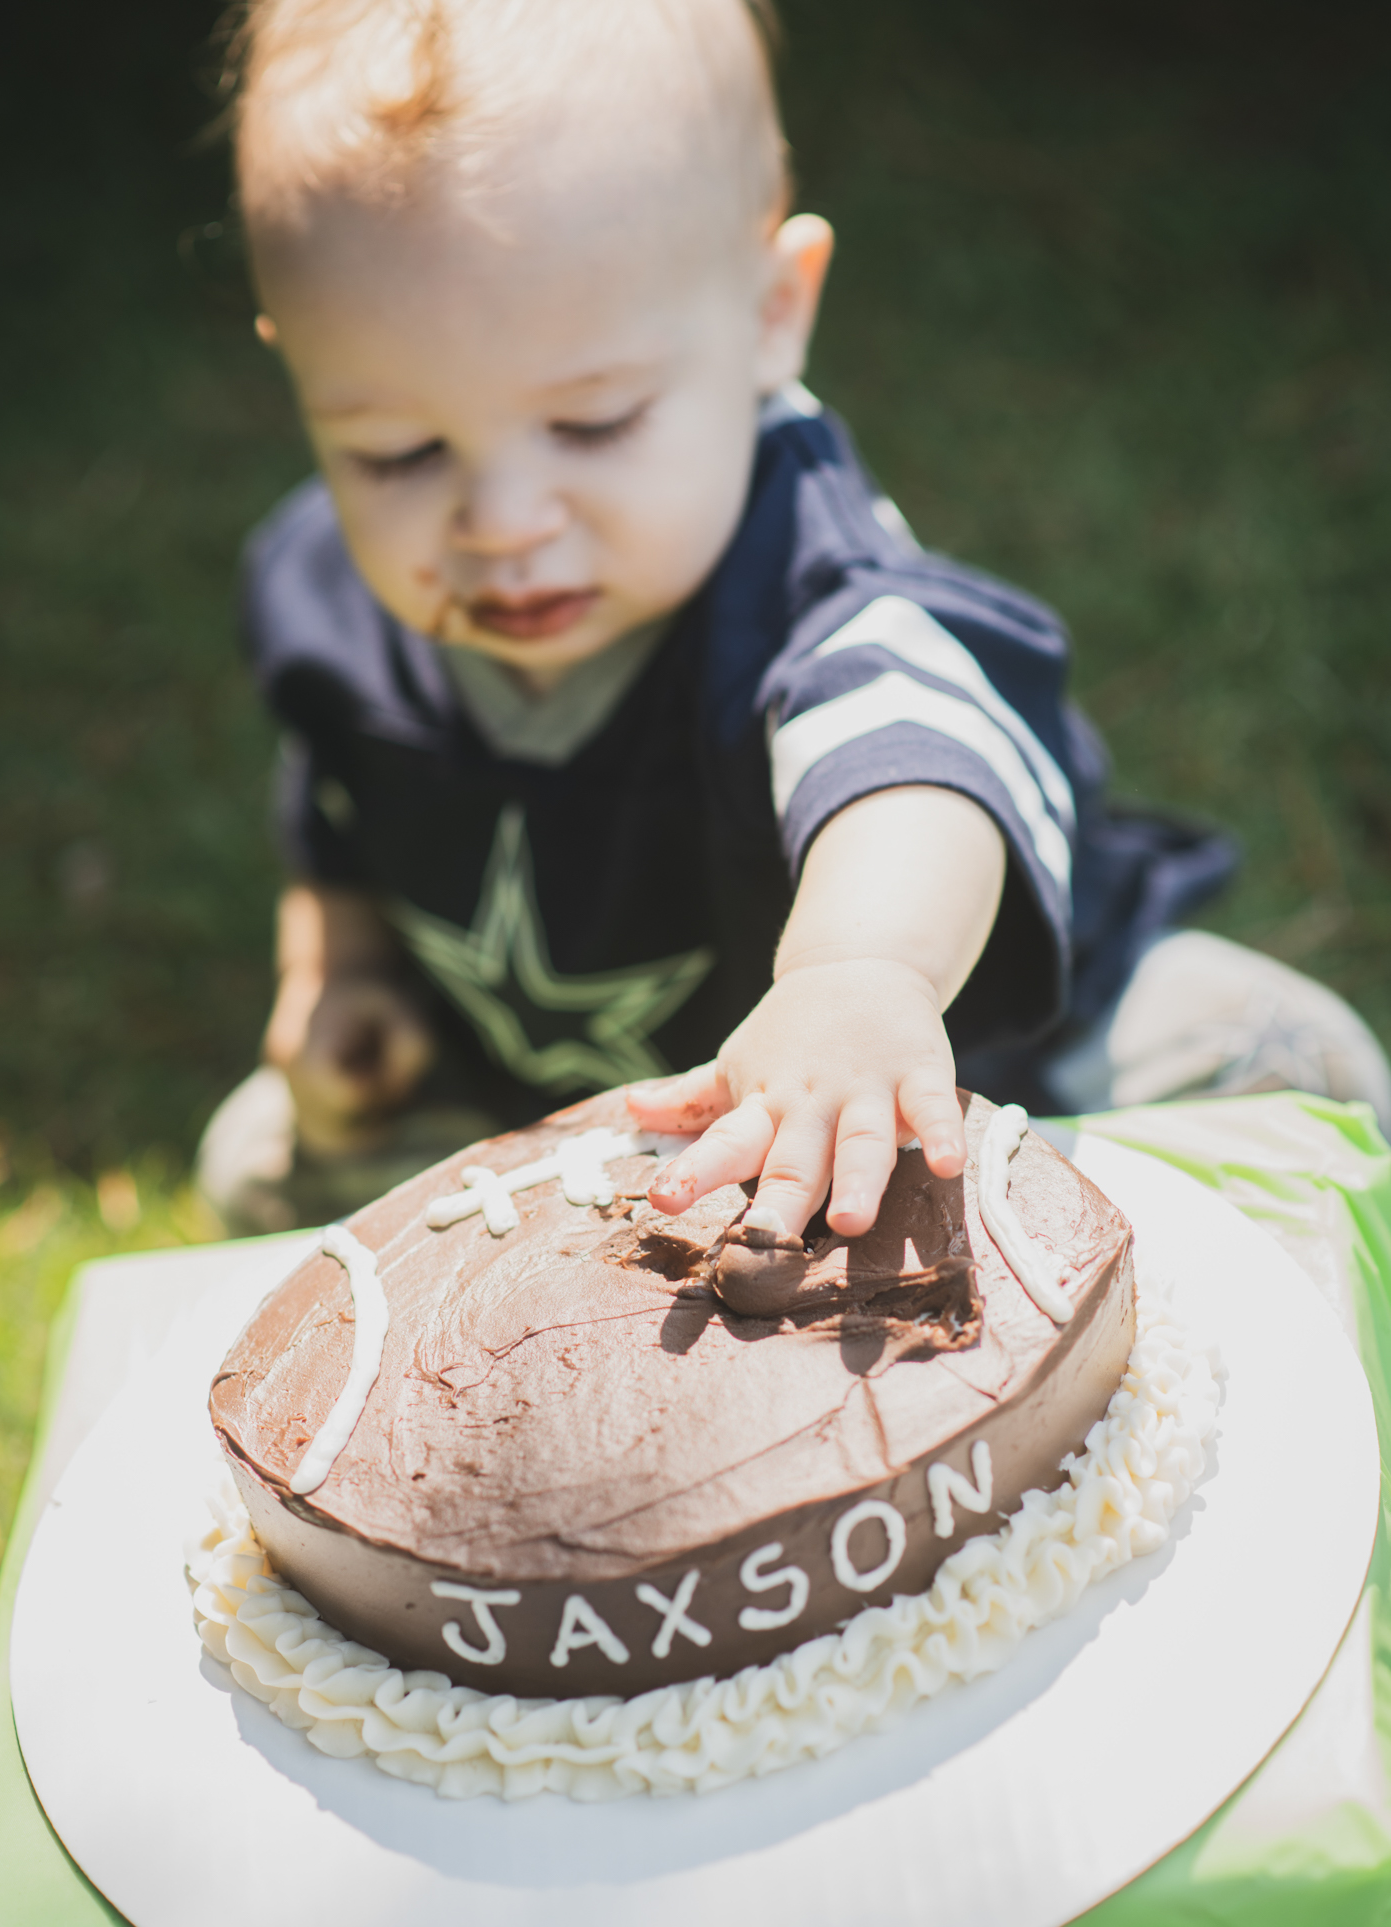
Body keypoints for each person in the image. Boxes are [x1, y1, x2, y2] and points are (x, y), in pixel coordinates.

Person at [197, 0, 1391, 1238]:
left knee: (1288, 1068)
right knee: (255, 1158)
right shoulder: (321, 588)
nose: (499, 522)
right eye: (396, 449)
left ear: (772, 311)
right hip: (610, 1098)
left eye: (593, 424)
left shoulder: (816, 593)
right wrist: (340, 968)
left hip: (978, 1051)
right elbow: (338, 806)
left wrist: (856, 976)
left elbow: (915, 773)